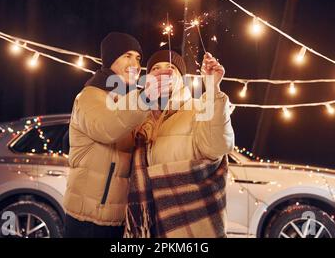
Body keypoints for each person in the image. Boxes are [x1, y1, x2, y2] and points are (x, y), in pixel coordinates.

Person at [124, 50, 235, 238]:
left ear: (181, 79)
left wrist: (212, 88)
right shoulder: (139, 118)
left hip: (188, 226)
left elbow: (218, 147)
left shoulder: (198, 108)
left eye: (171, 68)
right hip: (150, 227)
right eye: (156, 69)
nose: (163, 73)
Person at [64, 32, 156, 238]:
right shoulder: (89, 96)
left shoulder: (130, 100)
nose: (135, 63)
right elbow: (106, 127)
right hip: (87, 219)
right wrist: (145, 98)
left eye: (138, 58)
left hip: (120, 218)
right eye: (127, 55)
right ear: (110, 58)